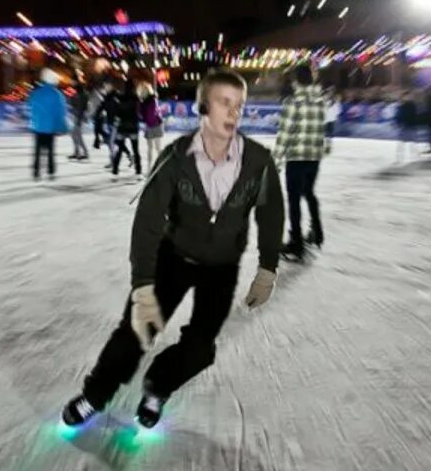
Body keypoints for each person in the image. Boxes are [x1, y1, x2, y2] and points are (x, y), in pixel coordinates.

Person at [60, 69, 284, 430]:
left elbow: (272, 214)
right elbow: (148, 222)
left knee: (200, 349)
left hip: (222, 267)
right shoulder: (176, 157)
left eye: (239, 106)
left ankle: (158, 386)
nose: (233, 113)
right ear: (203, 107)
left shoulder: (258, 160)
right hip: (174, 257)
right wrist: (143, 284)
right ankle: (95, 395)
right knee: (136, 329)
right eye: (224, 103)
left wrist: (268, 267)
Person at [274, 65, 327, 258]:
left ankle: (296, 242)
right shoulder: (321, 100)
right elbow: (322, 127)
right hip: (314, 156)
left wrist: (276, 161)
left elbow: (285, 134)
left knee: (294, 199)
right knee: (309, 192)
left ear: (296, 80)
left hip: (297, 156)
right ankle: (317, 231)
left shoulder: (293, 101)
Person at [28, 68, 68, 180]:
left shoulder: (36, 93)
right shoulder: (57, 94)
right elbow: (60, 112)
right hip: (50, 127)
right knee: (50, 149)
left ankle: (36, 170)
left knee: (37, 149)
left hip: (38, 126)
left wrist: (34, 120)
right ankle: (50, 170)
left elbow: (30, 106)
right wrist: (63, 127)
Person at [111, 79, 143, 178]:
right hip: (133, 127)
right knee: (135, 150)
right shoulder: (136, 98)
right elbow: (139, 113)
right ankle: (138, 171)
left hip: (122, 127)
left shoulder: (120, 98)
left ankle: (115, 171)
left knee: (119, 150)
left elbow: (116, 112)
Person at [137, 81, 165, 172]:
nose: (142, 91)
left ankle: (162, 165)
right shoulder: (142, 102)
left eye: (144, 89)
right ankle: (149, 168)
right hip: (150, 126)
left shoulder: (152, 100)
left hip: (155, 125)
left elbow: (153, 113)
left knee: (157, 148)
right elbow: (141, 114)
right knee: (150, 148)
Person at [68, 81, 90, 160]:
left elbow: (81, 108)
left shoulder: (82, 96)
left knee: (77, 136)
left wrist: (79, 120)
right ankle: (77, 152)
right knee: (74, 135)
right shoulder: (79, 95)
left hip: (79, 118)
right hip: (78, 117)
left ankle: (84, 152)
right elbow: (73, 104)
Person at [395, 90, 419, 162]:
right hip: (404, 126)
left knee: (413, 143)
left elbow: (415, 116)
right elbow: (399, 115)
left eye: (409, 96)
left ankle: (414, 157)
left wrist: (416, 123)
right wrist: (398, 123)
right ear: (403, 97)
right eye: (406, 96)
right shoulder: (402, 105)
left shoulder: (413, 105)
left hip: (411, 126)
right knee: (401, 143)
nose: (408, 97)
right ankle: (399, 157)